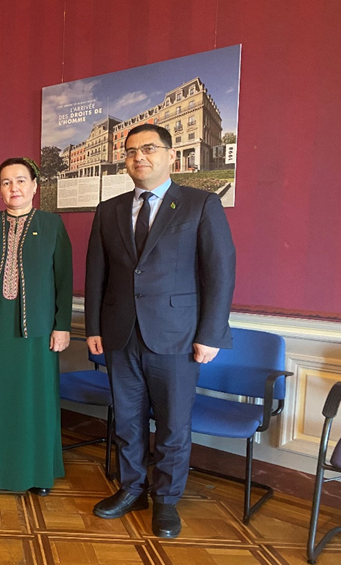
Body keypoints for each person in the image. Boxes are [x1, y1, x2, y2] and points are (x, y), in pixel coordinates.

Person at [85, 123, 235, 538]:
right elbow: (96, 273)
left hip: (177, 336)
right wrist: (94, 325)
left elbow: (220, 272)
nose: (139, 157)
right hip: (120, 334)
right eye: (131, 151)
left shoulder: (200, 204)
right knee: (127, 421)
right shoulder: (109, 210)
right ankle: (132, 489)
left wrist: (211, 334)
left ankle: (166, 500)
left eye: (149, 149)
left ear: (170, 155)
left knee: (172, 425)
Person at [0, 157, 73, 495]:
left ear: (35, 186)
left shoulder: (52, 225)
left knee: (32, 400)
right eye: (6, 182)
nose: (14, 188)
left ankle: (36, 471)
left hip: (37, 329)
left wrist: (62, 325)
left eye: (21, 180)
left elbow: (64, 280)